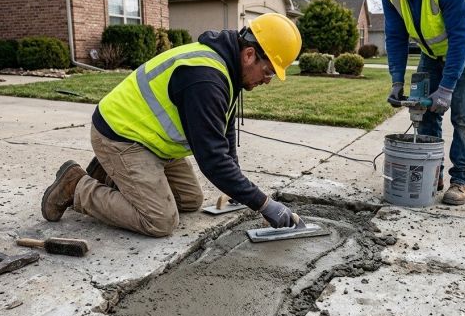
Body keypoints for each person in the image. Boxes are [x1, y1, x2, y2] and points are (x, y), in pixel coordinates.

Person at [40, 13, 303, 237]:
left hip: (151, 142)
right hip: (120, 136)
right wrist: (264, 204)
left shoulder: (228, 71)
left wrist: (238, 189)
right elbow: (212, 159)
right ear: (249, 54)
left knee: (190, 201)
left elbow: (225, 132)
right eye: (268, 71)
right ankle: (76, 186)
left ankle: (111, 173)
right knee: (160, 221)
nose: (268, 80)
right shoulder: (206, 80)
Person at [369, 0, 465, 205]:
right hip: (433, 50)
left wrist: (447, 87)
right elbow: (395, 36)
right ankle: (432, 172)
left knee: (464, 114)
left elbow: (461, 36)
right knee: (424, 108)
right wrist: (396, 81)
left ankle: (461, 180)